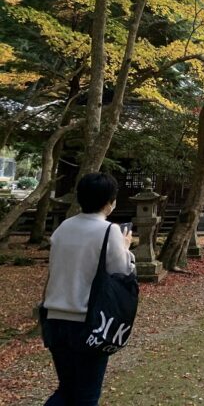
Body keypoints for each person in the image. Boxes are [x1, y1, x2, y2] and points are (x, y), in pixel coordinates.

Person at [41, 172, 136, 406]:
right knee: (86, 395)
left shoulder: (63, 227)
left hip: (54, 319)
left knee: (66, 390)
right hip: (89, 321)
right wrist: (125, 247)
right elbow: (122, 270)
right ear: (109, 202)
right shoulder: (108, 230)